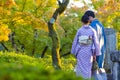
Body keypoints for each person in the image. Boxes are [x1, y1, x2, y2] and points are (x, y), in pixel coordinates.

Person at [71, 14, 100, 79]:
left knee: (80, 67)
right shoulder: (92, 30)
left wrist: (73, 51)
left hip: (80, 51)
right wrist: (96, 53)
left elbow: (75, 41)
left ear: (82, 21)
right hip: (89, 51)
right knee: (88, 68)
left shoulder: (79, 30)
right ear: (89, 21)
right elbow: (96, 42)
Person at [84, 10, 107, 80]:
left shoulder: (92, 26)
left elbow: (90, 41)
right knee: (99, 71)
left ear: (90, 17)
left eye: (87, 18)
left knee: (93, 73)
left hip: (94, 53)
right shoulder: (101, 25)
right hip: (102, 52)